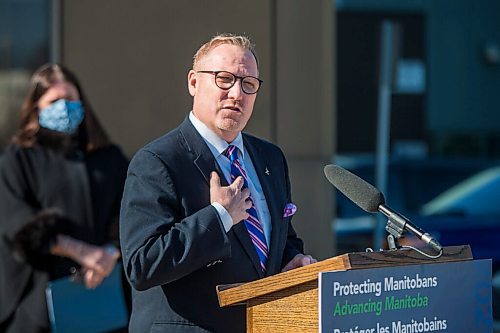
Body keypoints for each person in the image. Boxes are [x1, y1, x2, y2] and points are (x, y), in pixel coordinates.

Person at [119, 33, 317, 333]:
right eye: (224, 79)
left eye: (248, 84)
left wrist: (292, 263)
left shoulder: (269, 158)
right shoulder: (158, 161)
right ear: (193, 82)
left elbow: (280, 241)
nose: (237, 94)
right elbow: (142, 264)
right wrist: (219, 217)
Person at [0, 63, 129, 333]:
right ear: (37, 108)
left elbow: (130, 214)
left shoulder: (109, 158)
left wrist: (107, 254)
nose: (64, 107)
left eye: (69, 99)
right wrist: (82, 252)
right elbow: (16, 222)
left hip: (102, 297)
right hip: (36, 300)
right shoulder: (18, 159)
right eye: (54, 100)